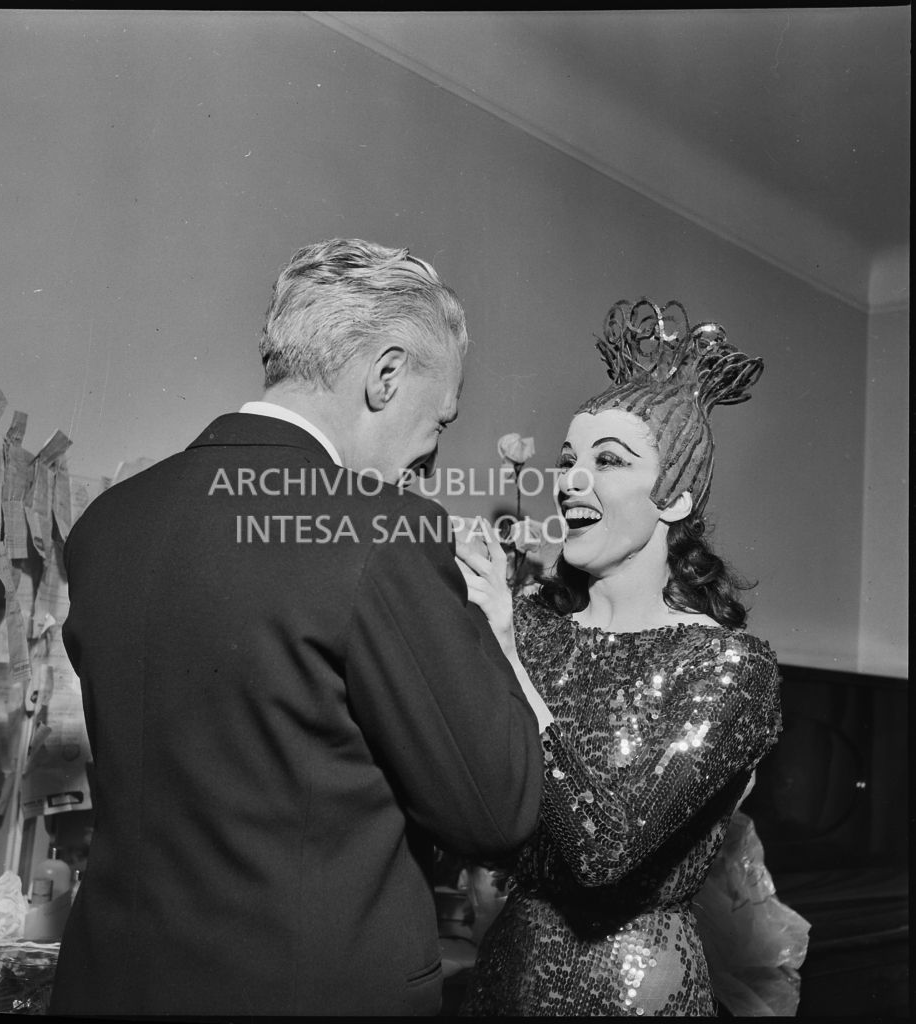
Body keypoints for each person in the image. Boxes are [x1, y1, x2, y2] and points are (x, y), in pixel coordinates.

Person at [48, 239, 544, 1017]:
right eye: (438, 417)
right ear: (385, 376)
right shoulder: (383, 529)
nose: (433, 450)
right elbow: (496, 810)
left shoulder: (110, 522)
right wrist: (490, 627)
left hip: (110, 984)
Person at [454, 299, 790, 1016]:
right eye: (568, 459)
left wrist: (506, 652)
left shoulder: (728, 667)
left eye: (608, 461)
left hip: (634, 989)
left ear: (674, 498)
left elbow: (605, 846)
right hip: (502, 969)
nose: (571, 479)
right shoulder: (535, 625)